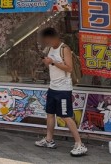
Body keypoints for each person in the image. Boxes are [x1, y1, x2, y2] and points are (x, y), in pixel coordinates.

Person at [35, 27, 87, 157]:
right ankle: (49, 140)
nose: (47, 42)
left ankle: (79, 144)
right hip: (53, 87)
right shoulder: (50, 49)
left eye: (48, 40)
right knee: (50, 113)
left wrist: (52, 62)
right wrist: (47, 62)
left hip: (63, 89)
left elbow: (69, 68)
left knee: (65, 115)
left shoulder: (65, 49)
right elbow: (51, 66)